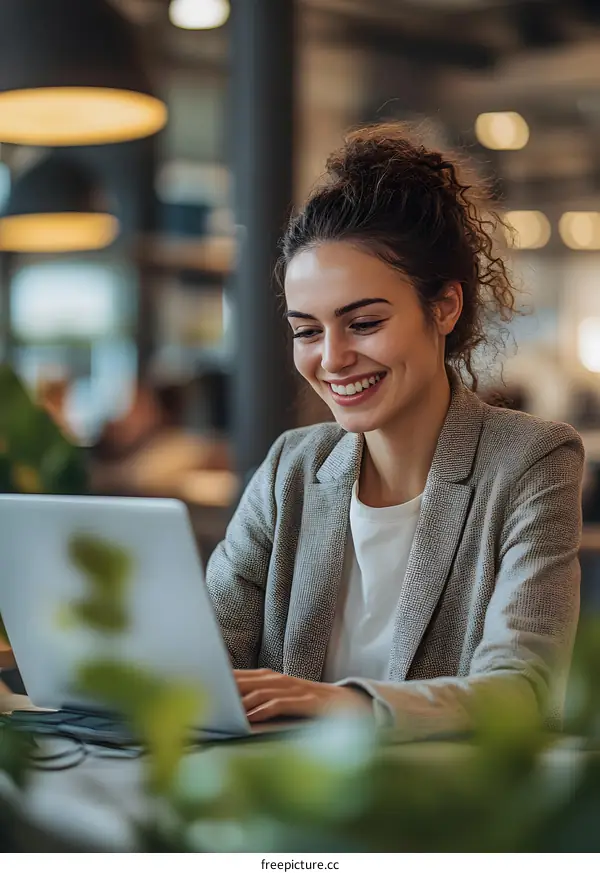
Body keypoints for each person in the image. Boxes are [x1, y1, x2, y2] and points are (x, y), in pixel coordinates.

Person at [207, 122, 584, 738]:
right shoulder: (290, 469)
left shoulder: (531, 461)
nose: (331, 358)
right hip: (277, 803)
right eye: (307, 330)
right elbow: (202, 651)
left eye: (363, 323)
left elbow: (523, 690)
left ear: (444, 307)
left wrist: (347, 703)